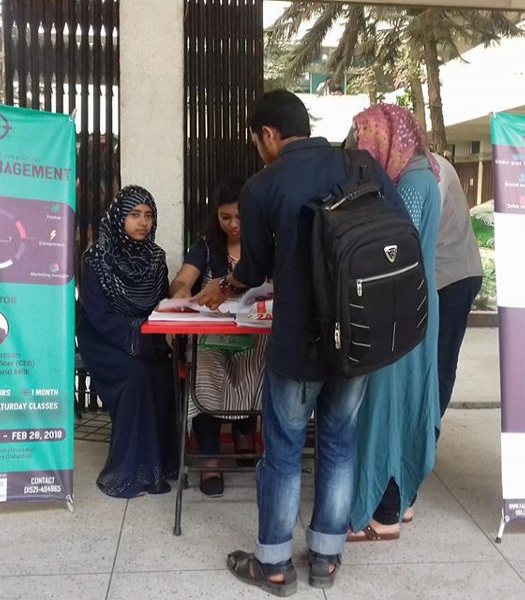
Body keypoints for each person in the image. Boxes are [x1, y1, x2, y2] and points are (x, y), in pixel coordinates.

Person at [195, 90, 403, 596]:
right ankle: (327, 559)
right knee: (338, 441)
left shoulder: (262, 186)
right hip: (359, 336)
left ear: (267, 134)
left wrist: (224, 287)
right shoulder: (360, 166)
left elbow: (253, 268)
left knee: (284, 449)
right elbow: (399, 230)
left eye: (256, 140)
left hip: (299, 341)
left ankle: (272, 565)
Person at [345, 104, 441, 542]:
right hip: (410, 307)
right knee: (400, 403)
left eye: (365, 138)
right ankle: (399, 502)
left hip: (402, 311)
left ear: (385, 139)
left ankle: (382, 515)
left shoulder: (416, 183)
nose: (359, 149)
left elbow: (395, 251)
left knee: (386, 409)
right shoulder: (417, 175)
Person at [169, 175, 267, 499]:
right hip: (213, 334)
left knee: (257, 364)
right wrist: (184, 293)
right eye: (225, 217)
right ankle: (210, 458)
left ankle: (244, 435)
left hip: (253, 335)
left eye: (240, 216)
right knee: (206, 366)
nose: (233, 224)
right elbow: (182, 282)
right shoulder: (207, 246)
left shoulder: (265, 246)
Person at [78, 185, 178, 498]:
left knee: (163, 374)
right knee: (136, 376)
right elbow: (99, 317)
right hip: (104, 339)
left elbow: (160, 305)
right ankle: (130, 470)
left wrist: (153, 336)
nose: (142, 222)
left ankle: (161, 464)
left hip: (146, 336)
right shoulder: (95, 259)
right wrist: (140, 336)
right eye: (134, 214)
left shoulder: (156, 258)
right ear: (119, 217)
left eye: (148, 215)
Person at [431, 153, 483, 418]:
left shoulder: (433, 168)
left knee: (441, 360)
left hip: (454, 276)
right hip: (434, 276)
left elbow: (425, 218)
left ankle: (428, 438)